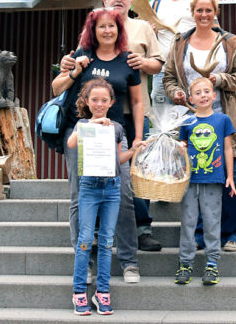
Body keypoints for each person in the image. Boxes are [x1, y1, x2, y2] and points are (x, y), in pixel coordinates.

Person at [63, 0, 165, 253]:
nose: (119, 0)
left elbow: (158, 63)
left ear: (130, 2)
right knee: (96, 174)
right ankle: (94, 232)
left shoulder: (142, 27)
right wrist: (68, 66)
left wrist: (141, 63)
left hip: (131, 115)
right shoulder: (93, 27)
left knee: (132, 176)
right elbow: (76, 67)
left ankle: (142, 229)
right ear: (106, 1)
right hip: (96, 120)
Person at [53, 7, 144, 284]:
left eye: (112, 26)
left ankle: (129, 261)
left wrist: (138, 136)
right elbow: (57, 88)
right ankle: (87, 261)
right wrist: (75, 70)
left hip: (114, 133)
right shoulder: (80, 55)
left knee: (125, 194)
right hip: (80, 131)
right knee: (80, 196)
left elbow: (138, 102)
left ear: (119, 30)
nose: (107, 31)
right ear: (93, 30)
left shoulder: (128, 60)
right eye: (101, 26)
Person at [163, 0, 236, 252]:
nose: (203, 14)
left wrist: (219, 80)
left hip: (221, 118)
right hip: (190, 121)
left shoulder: (231, 43)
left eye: (208, 10)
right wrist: (175, 92)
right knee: (196, 177)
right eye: (199, 10)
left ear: (215, 13)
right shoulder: (179, 43)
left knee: (229, 174)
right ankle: (200, 234)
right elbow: (168, 77)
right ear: (193, 12)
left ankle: (234, 233)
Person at [68, 78, 144, 316]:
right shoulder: (82, 124)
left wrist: (133, 150)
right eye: (94, 100)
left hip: (112, 187)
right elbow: (71, 144)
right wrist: (89, 125)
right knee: (84, 239)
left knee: (107, 242)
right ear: (86, 102)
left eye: (104, 100)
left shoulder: (118, 128)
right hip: (89, 187)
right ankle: (79, 292)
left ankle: (103, 293)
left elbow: (118, 159)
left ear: (111, 102)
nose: (99, 104)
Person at [175, 77, 236, 286]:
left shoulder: (222, 120)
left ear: (214, 95)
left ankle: (212, 263)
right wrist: (180, 149)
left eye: (206, 91)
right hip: (189, 182)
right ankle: (185, 263)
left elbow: (228, 148)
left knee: (212, 221)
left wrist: (230, 176)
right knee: (188, 222)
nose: (203, 95)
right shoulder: (187, 122)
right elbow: (182, 147)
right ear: (191, 99)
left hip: (213, 179)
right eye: (198, 93)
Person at [150, 0, 195, 113]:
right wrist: (151, 32)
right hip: (162, 73)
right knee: (162, 126)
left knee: (193, 125)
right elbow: (148, 40)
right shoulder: (155, 3)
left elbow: (214, 32)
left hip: (191, 72)